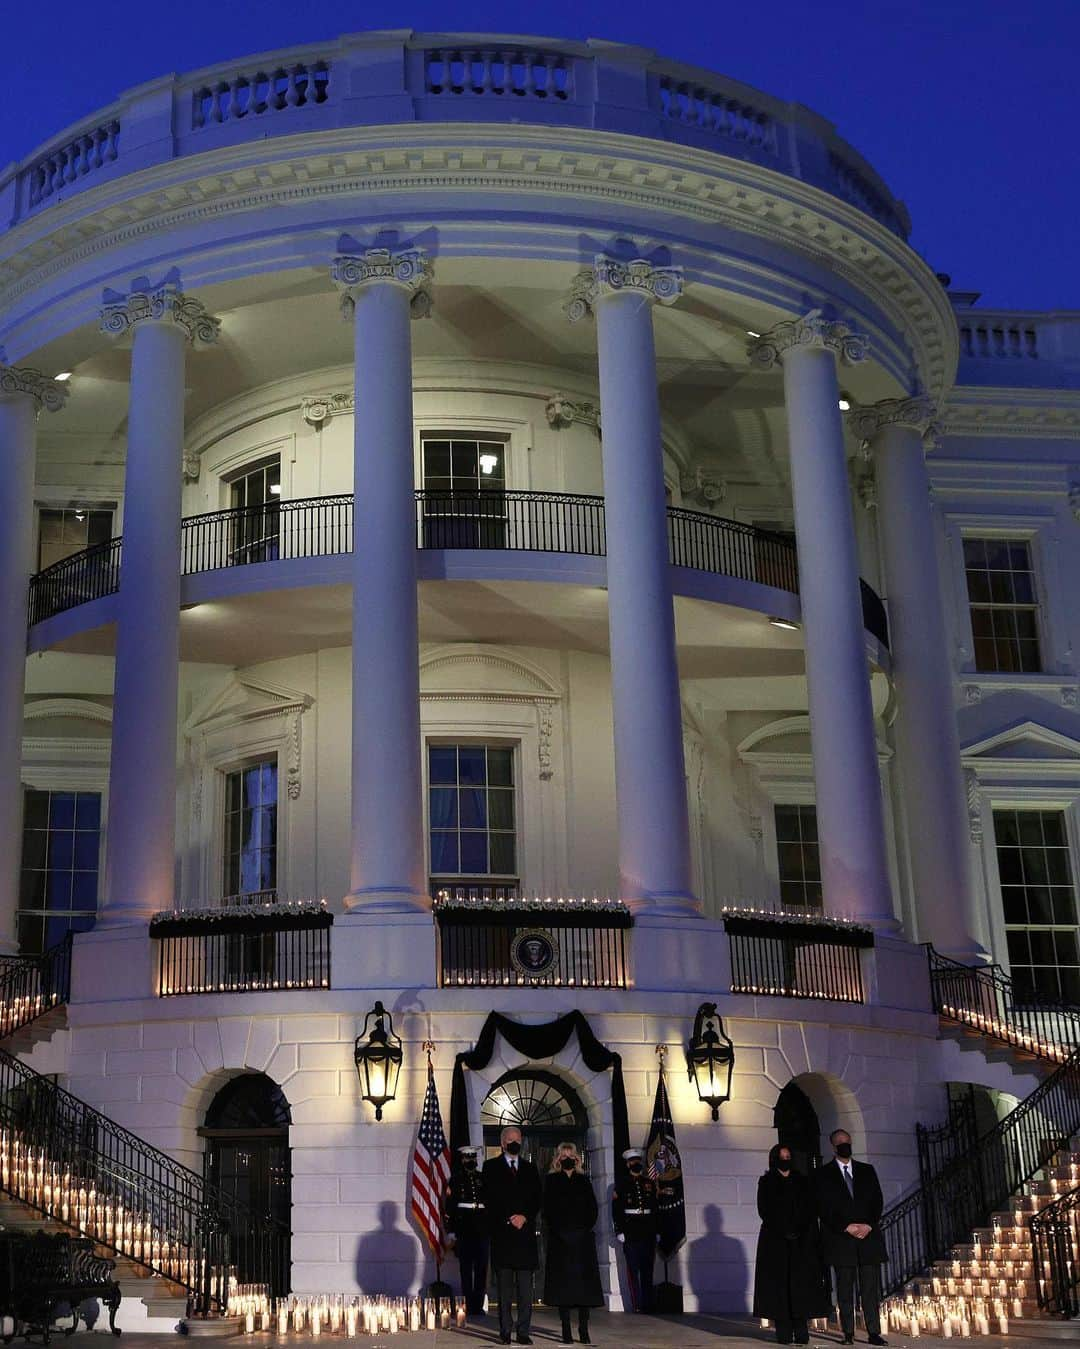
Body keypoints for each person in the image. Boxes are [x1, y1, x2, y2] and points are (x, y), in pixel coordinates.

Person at [813, 1129, 888, 1347]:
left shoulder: (867, 1170)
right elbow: (823, 1207)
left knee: (870, 1290)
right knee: (844, 1289)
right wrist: (845, 1226)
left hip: (867, 1238)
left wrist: (868, 1225)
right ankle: (847, 1332)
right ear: (833, 1146)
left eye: (847, 1142)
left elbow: (877, 1200)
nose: (845, 1145)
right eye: (840, 1143)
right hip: (841, 1240)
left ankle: (874, 1332)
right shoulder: (823, 1175)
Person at [752, 1144, 829, 1344]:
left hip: (801, 1242)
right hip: (775, 1242)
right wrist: (783, 1230)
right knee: (780, 1286)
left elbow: (810, 1208)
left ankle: (801, 1329)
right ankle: (783, 1330)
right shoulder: (766, 1181)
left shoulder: (802, 1181)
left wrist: (799, 1229)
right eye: (782, 1156)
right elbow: (765, 1210)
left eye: (788, 1156)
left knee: (800, 1285)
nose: (785, 1159)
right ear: (774, 1159)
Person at [481, 1126, 542, 1345]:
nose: (514, 1143)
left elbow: (537, 1198)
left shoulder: (530, 1168)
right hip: (503, 1236)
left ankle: (523, 1331)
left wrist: (524, 1216)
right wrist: (509, 1217)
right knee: (505, 1290)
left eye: (517, 1139)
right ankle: (505, 1330)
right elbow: (488, 1199)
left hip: (525, 1237)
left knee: (526, 1290)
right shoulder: (490, 1167)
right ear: (503, 1143)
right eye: (510, 1139)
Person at [542, 1142, 603, 1345]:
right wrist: (560, 1232)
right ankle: (566, 1328)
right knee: (563, 1288)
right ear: (558, 1159)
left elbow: (592, 1209)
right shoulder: (551, 1180)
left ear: (576, 1158)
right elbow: (548, 1210)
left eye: (571, 1155)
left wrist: (582, 1230)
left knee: (584, 1288)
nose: (567, 1158)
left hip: (582, 1240)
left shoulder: (584, 1180)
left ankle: (584, 1328)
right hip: (560, 1241)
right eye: (563, 1155)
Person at [445, 1144, 489, 1319]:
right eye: (467, 1158)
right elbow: (450, 1208)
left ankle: (478, 1306)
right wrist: (451, 1231)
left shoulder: (483, 1178)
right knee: (465, 1269)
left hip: (481, 1226)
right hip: (464, 1227)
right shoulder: (455, 1180)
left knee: (481, 1268)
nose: (471, 1161)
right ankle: (468, 1305)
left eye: (473, 1158)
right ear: (462, 1160)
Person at [611, 1147, 657, 1313]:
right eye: (633, 1161)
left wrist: (656, 1230)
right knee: (633, 1269)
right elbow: (616, 1209)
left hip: (648, 1230)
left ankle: (647, 1303)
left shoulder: (649, 1183)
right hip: (630, 1230)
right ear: (628, 1164)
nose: (636, 1163)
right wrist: (619, 1230)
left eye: (638, 1160)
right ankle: (637, 1303)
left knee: (647, 1269)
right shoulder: (622, 1184)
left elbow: (654, 1208)